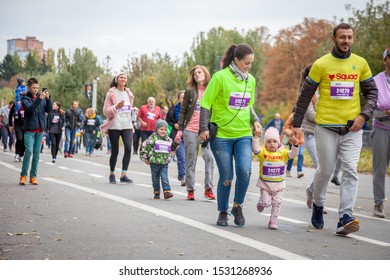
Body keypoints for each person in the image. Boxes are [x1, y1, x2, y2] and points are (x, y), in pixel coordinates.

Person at [292, 23, 378, 235]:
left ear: (353, 39)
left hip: (352, 128)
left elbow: (372, 93)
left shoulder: (361, 64)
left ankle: (345, 216)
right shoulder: (322, 64)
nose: (346, 41)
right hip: (326, 128)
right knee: (326, 171)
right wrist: (296, 125)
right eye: (342, 37)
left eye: (349, 37)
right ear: (334, 39)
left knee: (350, 170)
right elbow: (305, 95)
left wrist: (363, 116)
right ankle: (318, 205)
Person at [199, 43, 262, 227]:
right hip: (222, 136)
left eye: (251, 63)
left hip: (243, 133)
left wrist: (255, 120)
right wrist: (203, 128)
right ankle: (223, 211)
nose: (249, 67)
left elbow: (248, 105)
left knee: (245, 171)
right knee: (227, 175)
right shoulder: (220, 77)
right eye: (247, 63)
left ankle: (237, 206)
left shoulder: (250, 80)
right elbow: (205, 103)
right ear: (236, 60)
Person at [175, 65, 216, 200]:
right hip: (191, 130)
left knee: (209, 157)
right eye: (194, 74)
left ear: (206, 73)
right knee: (190, 160)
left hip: (207, 131)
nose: (196, 75)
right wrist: (180, 130)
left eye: (199, 72)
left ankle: (208, 189)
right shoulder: (190, 91)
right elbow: (183, 111)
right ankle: (190, 189)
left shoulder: (212, 89)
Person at [253, 127, 299, 229]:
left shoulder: (283, 152)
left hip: (278, 185)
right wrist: (256, 137)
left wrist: (295, 145)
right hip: (265, 184)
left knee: (277, 202)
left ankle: (273, 220)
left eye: (274, 141)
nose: (272, 144)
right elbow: (255, 149)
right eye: (269, 141)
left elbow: (293, 154)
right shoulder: (263, 152)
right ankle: (261, 203)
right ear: (265, 143)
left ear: (278, 142)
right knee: (266, 203)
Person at [101, 72, 135, 184]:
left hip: (127, 124)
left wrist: (133, 110)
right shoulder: (111, 93)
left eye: (125, 77)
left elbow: (128, 108)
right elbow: (106, 111)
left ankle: (124, 174)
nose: (123, 79)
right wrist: (116, 107)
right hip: (115, 125)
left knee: (129, 148)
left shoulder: (129, 93)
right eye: (121, 77)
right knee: (114, 151)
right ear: (116, 79)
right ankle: (112, 174)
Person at [19, 78, 52, 185]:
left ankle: (33, 177)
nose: (36, 89)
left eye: (37, 88)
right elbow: (30, 109)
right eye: (33, 88)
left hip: (40, 130)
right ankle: (23, 175)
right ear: (29, 87)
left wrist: (48, 99)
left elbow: (49, 110)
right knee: (29, 151)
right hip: (29, 129)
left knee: (37, 154)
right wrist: (40, 98)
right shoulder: (25, 98)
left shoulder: (41, 97)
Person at [371, 47, 390, 218]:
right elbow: (368, 111)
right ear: (385, 60)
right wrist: (385, 113)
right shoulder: (376, 81)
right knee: (380, 169)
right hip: (381, 129)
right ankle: (378, 204)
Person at [140, 119, 177, 200]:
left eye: (165, 129)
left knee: (164, 177)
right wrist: (145, 158)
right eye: (161, 129)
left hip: (164, 162)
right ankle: (156, 192)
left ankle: (167, 192)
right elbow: (144, 147)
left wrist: (176, 143)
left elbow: (173, 148)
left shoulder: (168, 139)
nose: (163, 131)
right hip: (154, 162)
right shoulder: (152, 138)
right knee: (155, 179)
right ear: (156, 129)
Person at [167, 90, 186, 186]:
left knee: (189, 158)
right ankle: (183, 177)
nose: (184, 99)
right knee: (181, 157)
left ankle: (186, 176)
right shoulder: (173, 109)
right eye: (182, 98)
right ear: (178, 99)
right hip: (177, 135)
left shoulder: (193, 108)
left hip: (189, 135)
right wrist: (174, 124)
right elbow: (168, 120)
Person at [283, 109, 305, 178]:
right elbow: (285, 127)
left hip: (301, 140)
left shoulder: (305, 116)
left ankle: (299, 171)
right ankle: (288, 170)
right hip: (293, 140)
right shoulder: (292, 116)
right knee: (291, 155)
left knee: (301, 155)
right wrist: (291, 134)